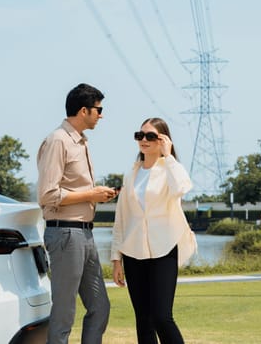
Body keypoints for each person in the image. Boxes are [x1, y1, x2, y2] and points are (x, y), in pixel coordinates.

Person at [37, 83, 118, 344]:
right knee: (64, 314)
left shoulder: (81, 142)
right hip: (65, 233)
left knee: (100, 307)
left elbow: (74, 188)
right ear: (84, 110)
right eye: (98, 110)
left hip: (85, 234)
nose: (101, 115)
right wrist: (90, 195)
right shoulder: (58, 141)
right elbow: (47, 195)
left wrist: (96, 194)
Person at [111, 117, 197, 344]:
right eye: (140, 135)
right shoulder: (131, 174)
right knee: (143, 320)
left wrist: (168, 156)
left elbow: (183, 188)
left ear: (163, 140)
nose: (144, 140)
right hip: (132, 252)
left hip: (164, 249)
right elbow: (121, 218)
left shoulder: (169, 170)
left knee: (161, 317)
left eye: (151, 136)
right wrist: (116, 259)